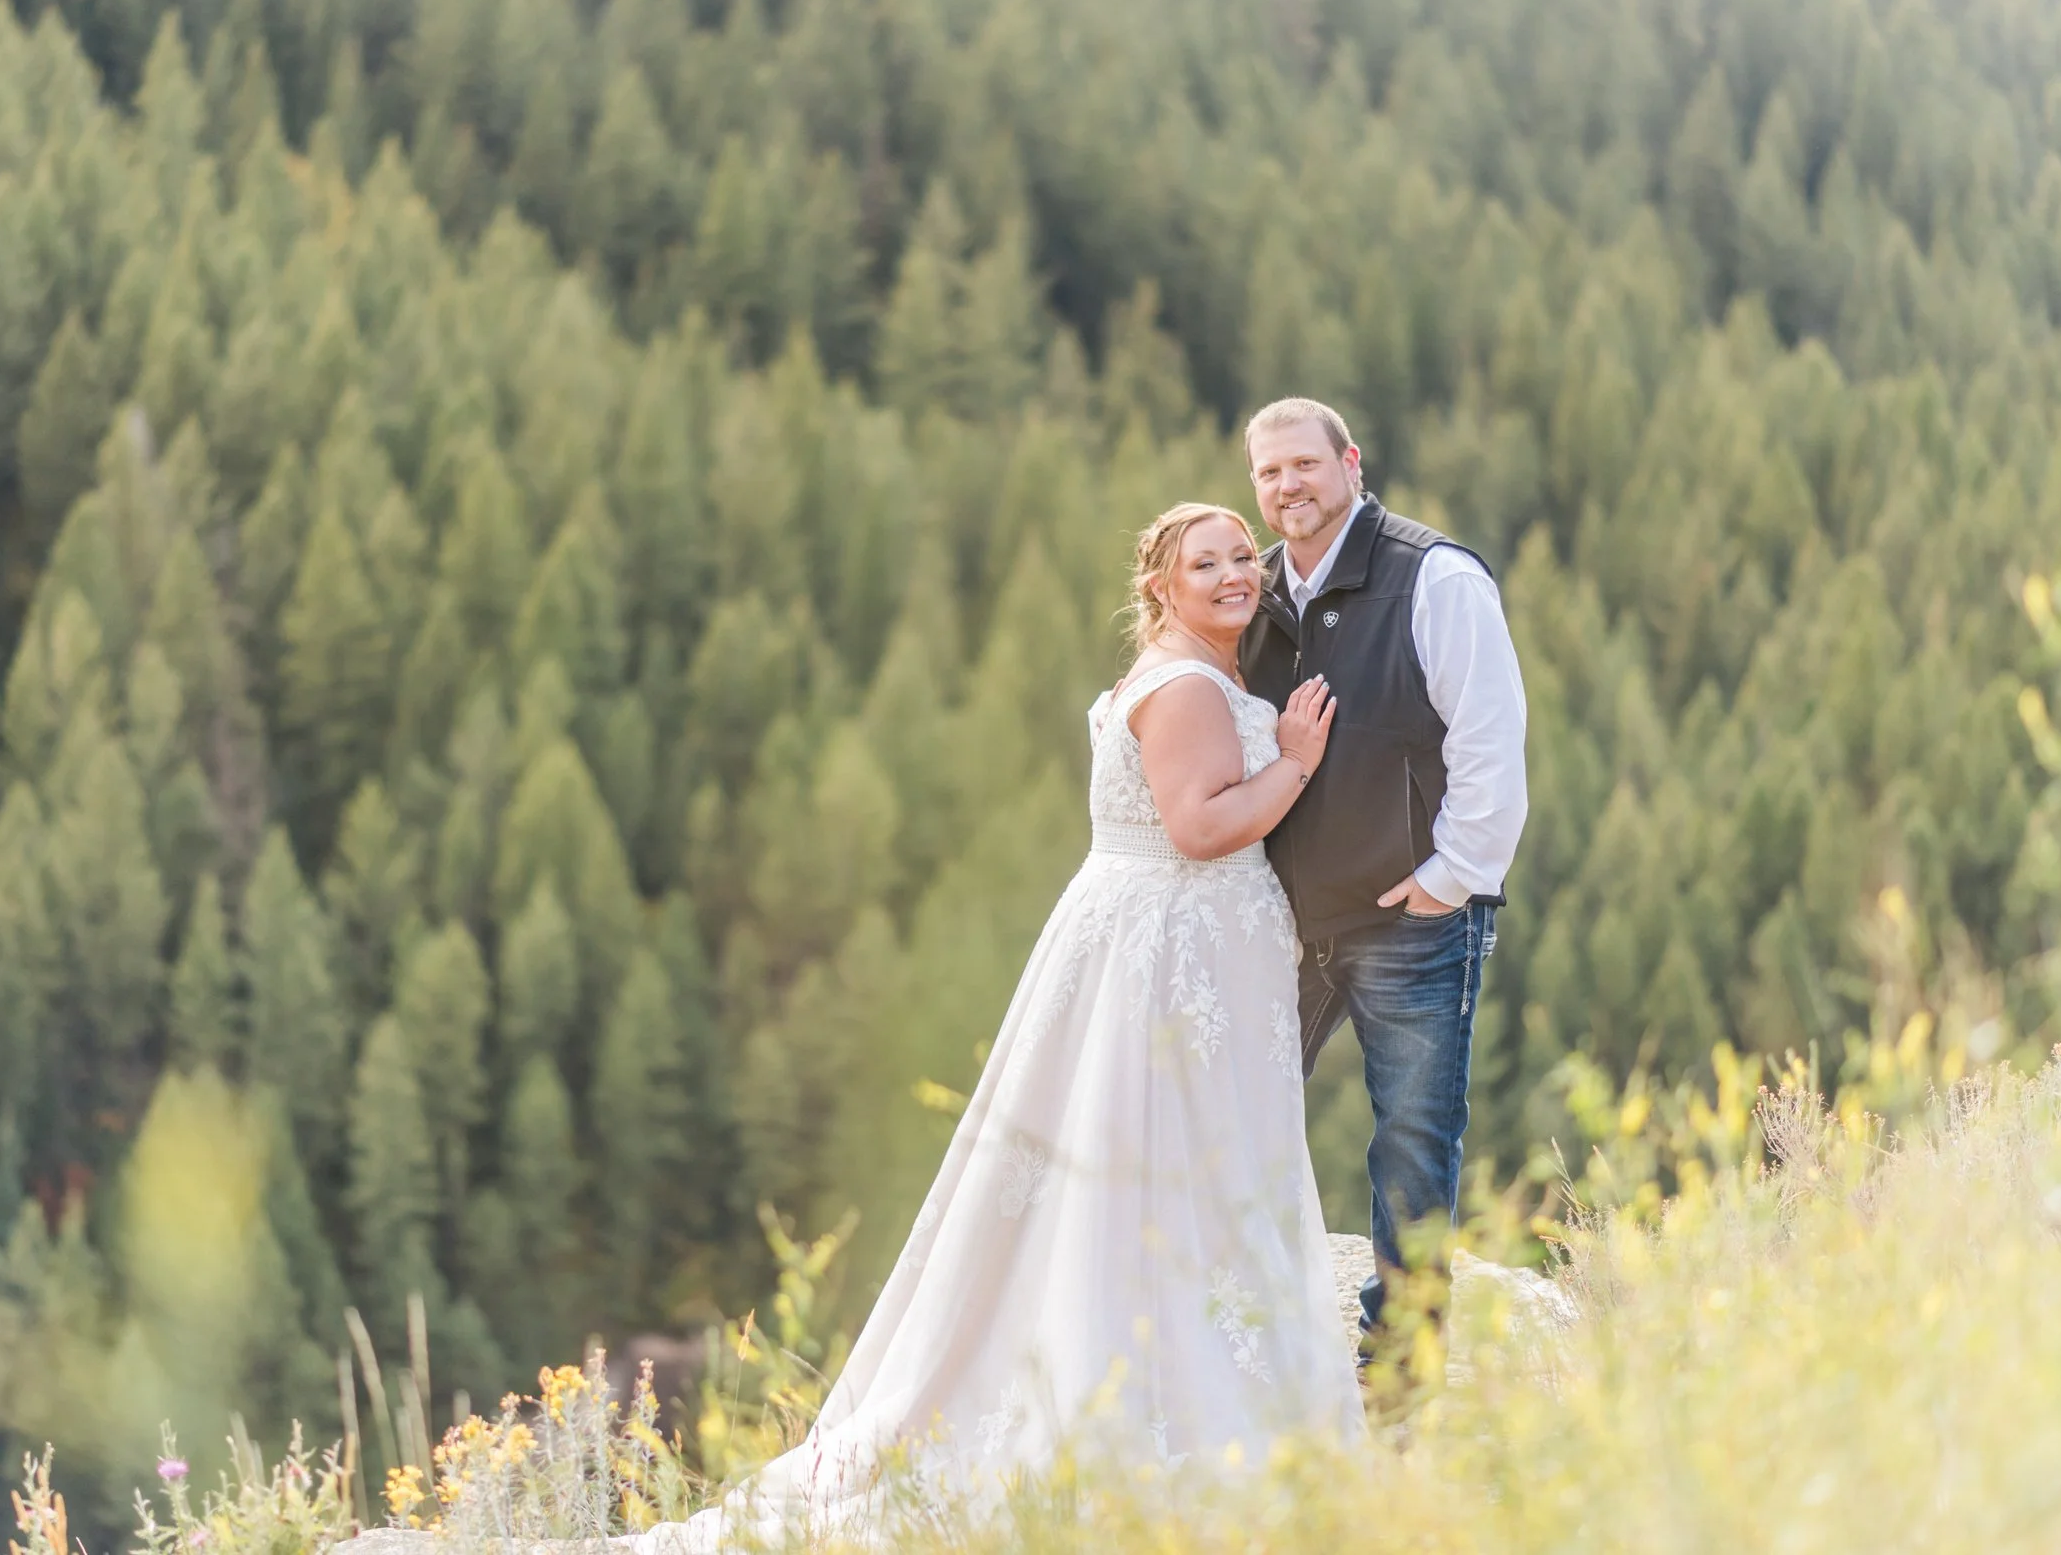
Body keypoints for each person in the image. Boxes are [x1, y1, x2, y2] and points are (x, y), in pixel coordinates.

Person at [625, 504, 1363, 1550]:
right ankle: (1171, 1403)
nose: (1236, 573)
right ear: (1159, 584)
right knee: (1177, 1150)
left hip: (1152, 942)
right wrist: (1291, 762)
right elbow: (1199, 831)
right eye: (1207, 563)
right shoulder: (1192, 685)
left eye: (1244, 556)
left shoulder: (1173, 672)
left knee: (1139, 1157)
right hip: (1173, 946)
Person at [1236, 396, 1529, 1373]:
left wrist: (1454, 876)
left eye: (1303, 465)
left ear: (1350, 463)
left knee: (1411, 1137)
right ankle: (1230, 1330)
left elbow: (1490, 736)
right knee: (1231, 1105)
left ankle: (1399, 1359)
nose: (1287, 486)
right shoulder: (1259, 592)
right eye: (1268, 473)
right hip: (1284, 920)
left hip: (1409, 919)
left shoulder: (1431, 577)